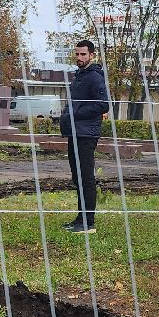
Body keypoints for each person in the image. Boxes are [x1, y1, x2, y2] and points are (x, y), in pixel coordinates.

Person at [57, 39, 110, 234]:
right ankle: (80, 219)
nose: (79, 57)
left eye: (83, 54)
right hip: (76, 131)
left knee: (86, 177)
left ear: (91, 55)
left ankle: (88, 223)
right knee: (77, 177)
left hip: (87, 134)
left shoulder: (94, 77)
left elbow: (103, 105)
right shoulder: (80, 76)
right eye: (77, 54)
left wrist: (75, 113)